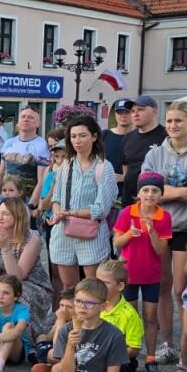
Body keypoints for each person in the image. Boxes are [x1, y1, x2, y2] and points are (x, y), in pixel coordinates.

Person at [142, 100, 187, 367]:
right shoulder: (155, 153)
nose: (173, 126)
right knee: (162, 285)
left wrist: (167, 192)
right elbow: (148, 191)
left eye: (179, 121)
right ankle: (168, 343)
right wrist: (185, 191)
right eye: (170, 121)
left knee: (182, 288)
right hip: (160, 226)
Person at [48, 277, 128, 372]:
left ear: (103, 306)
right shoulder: (66, 330)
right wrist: (71, 347)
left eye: (89, 303)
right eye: (78, 301)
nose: (81, 307)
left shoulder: (113, 335)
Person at [112, 171, 171, 372]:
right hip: (128, 275)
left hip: (151, 276)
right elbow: (117, 243)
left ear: (160, 195)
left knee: (150, 317)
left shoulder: (164, 217)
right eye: (145, 190)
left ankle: (151, 358)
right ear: (139, 193)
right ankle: (128, 356)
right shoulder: (127, 212)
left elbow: (161, 250)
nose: (150, 194)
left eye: (155, 190)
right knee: (130, 317)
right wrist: (129, 234)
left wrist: (152, 231)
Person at [48, 114, 118, 287]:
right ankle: (71, 315)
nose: (77, 141)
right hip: (63, 231)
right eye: (73, 136)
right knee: (68, 287)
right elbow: (56, 197)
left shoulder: (104, 167)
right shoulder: (66, 164)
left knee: (94, 287)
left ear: (94, 137)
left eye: (82, 135)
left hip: (91, 233)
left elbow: (101, 209)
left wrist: (72, 213)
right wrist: (57, 213)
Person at [0, 198, 54, 342]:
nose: (0, 217)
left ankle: (23, 341)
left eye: (6, 214)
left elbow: (17, 277)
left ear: (17, 216)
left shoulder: (31, 238)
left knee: (17, 296)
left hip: (30, 284)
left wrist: (4, 249)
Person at [96, 260, 144, 372]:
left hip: (121, 360)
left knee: (108, 370)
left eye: (105, 283)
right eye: (97, 281)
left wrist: (107, 357)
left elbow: (133, 349)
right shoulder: (94, 305)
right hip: (94, 352)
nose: (99, 286)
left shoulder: (129, 314)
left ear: (120, 286)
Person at [0, 107, 49, 211]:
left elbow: (42, 181)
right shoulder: (8, 143)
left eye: (30, 117)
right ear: (18, 121)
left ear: (38, 123)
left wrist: (30, 206)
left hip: (26, 202)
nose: (26, 119)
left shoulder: (42, 145)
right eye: (23, 117)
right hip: (5, 200)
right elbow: (0, 174)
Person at [119, 95, 167, 205]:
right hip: (129, 201)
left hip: (154, 201)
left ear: (154, 111)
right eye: (132, 111)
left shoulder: (166, 137)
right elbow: (126, 169)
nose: (135, 114)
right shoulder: (127, 138)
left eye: (141, 109)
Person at [102, 99, 135, 187]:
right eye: (120, 112)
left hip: (129, 190)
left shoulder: (138, 138)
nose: (123, 116)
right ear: (115, 114)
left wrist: (125, 177)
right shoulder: (104, 135)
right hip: (105, 187)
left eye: (127, 112)